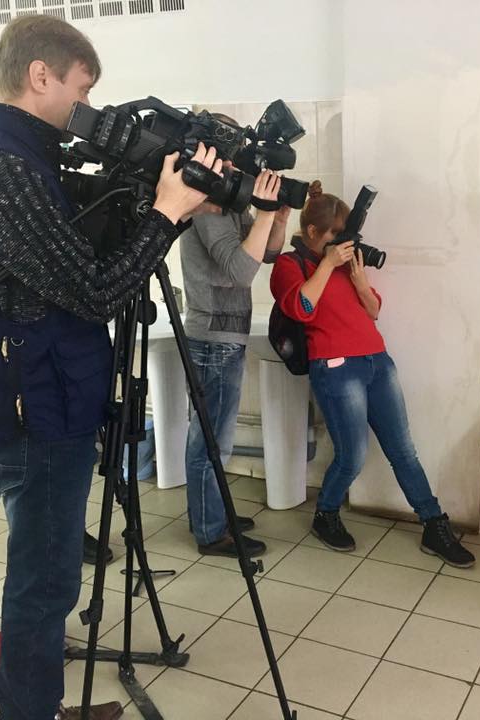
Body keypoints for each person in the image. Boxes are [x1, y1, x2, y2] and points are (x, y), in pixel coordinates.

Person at [0, 15, 218, 719]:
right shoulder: (9, 169)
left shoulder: (29, 157)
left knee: (48, 578)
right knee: (44, 585)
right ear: (40, 75)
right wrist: (165, 216)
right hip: (35, 411)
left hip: (45, 396)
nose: (87, 105)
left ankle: (38, 706)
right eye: (82, 87)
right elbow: (99, 291)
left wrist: (162, 209)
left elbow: (85, 265)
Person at [269, 182, 475, 568]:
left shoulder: (346, 263)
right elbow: (301, 308)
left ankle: (433, 524)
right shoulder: (289, 266)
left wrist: (358, 278)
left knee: (403, 450)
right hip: (335, 368)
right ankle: (326, 514)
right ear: (312, 232)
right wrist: (327, 265)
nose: (342, 242)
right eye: (334, 234)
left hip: (377, 361)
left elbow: (374, 310)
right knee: (353, 456)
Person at [180, 132, 289, 558]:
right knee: (211, 442)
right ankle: (211, 532)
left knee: (214, 439)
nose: (234, 167)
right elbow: (241, 271)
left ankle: (214, 513)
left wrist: (276, 218)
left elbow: (267, 253)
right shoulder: (207, 207)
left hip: (226, 336)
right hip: (212, 339)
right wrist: (263, 212)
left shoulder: (228, 205)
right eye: (227, 159)